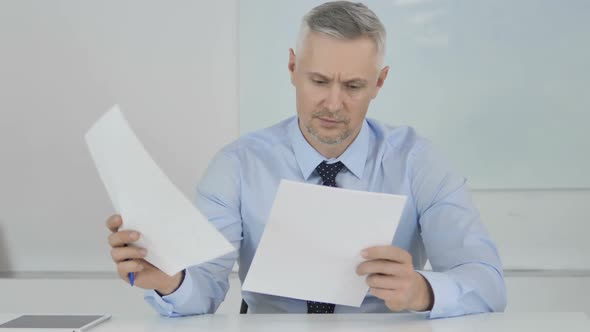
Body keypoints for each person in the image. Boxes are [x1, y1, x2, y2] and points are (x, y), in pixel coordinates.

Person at [106, 1, 506, 319]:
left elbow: (487, 284)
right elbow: (203, 291)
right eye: (319, 81)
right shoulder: (238, 166)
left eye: (353, 86)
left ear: (379, 83)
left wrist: (423, 290)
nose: (333, 103)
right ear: (293, 68)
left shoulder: (419, 162)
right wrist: (171, 281)